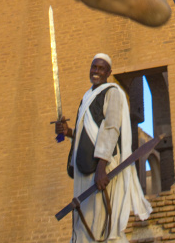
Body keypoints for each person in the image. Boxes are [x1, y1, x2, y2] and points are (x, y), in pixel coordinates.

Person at [56, 54, 151, 243]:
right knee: (82, 222)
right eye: (94, 67)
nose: (96, 72)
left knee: (98, 220)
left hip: (102, 167)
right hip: (84, 169)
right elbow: (89, 134)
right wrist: (68, 133)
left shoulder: (113, 92)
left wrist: (101, 168)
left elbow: (110, 128)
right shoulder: (87, 97)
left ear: (108, 72)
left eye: (101, 68)